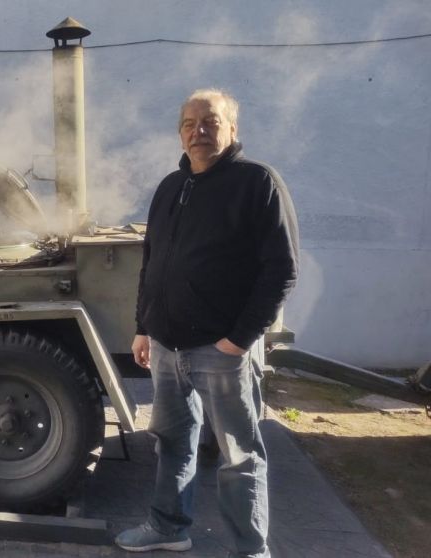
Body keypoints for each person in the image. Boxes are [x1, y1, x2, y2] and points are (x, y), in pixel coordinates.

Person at [116, 89, 299, 558]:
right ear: (180, 133)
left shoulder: (257, 183)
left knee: (239, 456)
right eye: (189, 123)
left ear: (232, 129)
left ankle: (250, 550)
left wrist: (238, 341)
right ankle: (168, 527)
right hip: (166, 345)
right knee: (173, 443)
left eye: (210, 122)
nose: (199, 131)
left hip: (221, 350)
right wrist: (144, 326)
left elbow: (281, 269)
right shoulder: (169, 187)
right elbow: (152, 262)